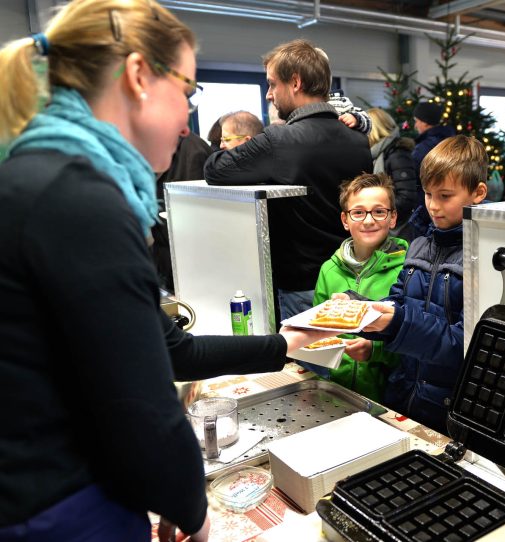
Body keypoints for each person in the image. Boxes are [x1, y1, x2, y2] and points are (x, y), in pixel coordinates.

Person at [0, 2, 331, 541]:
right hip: (55, 508)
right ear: (137, 76)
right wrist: (189, 504)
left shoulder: (42, 176)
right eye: (188, 90)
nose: (187, 120)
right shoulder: (77, 199)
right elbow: (141, 402)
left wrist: (286, 341)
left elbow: (172, 351)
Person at [203, 39, 372, 320]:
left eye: (272, 84)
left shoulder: (281, 140)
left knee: (309, 361)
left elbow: (214, 169)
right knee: (349, 359)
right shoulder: (358, 139)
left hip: (302, 284)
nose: (269, 94)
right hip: (352, 275)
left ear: (295, 82)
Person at [356, 135, 488, 433]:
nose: (433, 206)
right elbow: (397, 302)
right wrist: (357, 309)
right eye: (428, 194)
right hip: (404, 397)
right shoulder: (417, 246)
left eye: (445, 196)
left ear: (478, 192)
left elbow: (464, 346)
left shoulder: (482, 259)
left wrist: (398, 322)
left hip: (450, 409)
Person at [312, 173, 408, 398]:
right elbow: (317, 331)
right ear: (345, 220)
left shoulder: (407, 270)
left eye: (379, 211)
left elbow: (415, 342)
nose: (368, 220)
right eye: (358, 212)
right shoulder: (329, 269)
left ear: (392, 218)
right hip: (337, 390)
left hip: (389, 397)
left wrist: (374, 350)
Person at [154, 132, 213, 292]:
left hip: (190, 259)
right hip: (164, 254)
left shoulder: (193, 151)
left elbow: (197, 212)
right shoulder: (156, 146)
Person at [367, 107, 419, 239]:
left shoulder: (397, 154)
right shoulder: (380, 153)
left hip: (398, 229)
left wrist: (379, 212)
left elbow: (407, 197)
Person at [411, 100, 455, 175]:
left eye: (416, 121)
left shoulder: (424, 148)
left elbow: (412, 173)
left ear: (425, 122)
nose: (415, 125)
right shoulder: (451, 141)